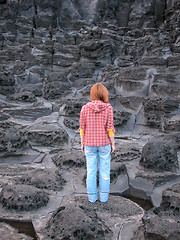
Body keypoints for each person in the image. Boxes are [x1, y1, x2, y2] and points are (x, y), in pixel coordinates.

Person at [79, 83, 115, 203]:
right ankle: (104, 198)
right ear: (104, 93)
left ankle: (92, 198)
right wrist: (113, 144)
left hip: (89, 144)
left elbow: (82, 129)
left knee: (91, 171)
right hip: (104, 143)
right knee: (105, 171)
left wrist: (82, 143)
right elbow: (110, 128)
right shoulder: (108, 108)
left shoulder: (84, 108)